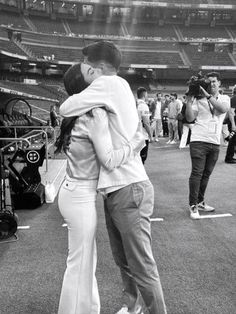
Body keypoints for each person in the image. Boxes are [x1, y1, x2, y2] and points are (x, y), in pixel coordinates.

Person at [60, 40, 167, 314]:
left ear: (99, 68)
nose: (82, 67)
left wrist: (136, 142)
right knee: (125, 262)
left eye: (85, 63)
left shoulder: (107, 85)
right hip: (117, 189)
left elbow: (65, 107)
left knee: (141, 266)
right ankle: (133, 308)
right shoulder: (108, 93)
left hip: (128, 187)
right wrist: (138, 140)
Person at [185, 72, 230, 219]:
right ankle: (193, 205)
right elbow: (190, 118)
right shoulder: (199, 100)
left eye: (214, 82)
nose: (212, 84)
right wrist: (189, 103)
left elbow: (221, 110)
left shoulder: (224, 98)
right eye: (209, 82)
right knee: (197, 173)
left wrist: (208, 96)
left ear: (219, 83)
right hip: (198, 139)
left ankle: (200, 202)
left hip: (215, 142)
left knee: (206, 175)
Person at [136, 87, 153, 164]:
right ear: (145, 94)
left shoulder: (133, 104)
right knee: (142, 159)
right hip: (142, 135)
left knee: (135, 159)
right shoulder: (143, 106)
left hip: (133, 134)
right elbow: (146, 122)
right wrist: (150, 135)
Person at [224, 85, 236, 163]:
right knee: (232, 140)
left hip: (233, 121)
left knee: (233, 139)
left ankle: (230, 156)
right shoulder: (234, 98)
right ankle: (229, 158)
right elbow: (231, 112)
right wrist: (233, 124)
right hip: (234, 121)